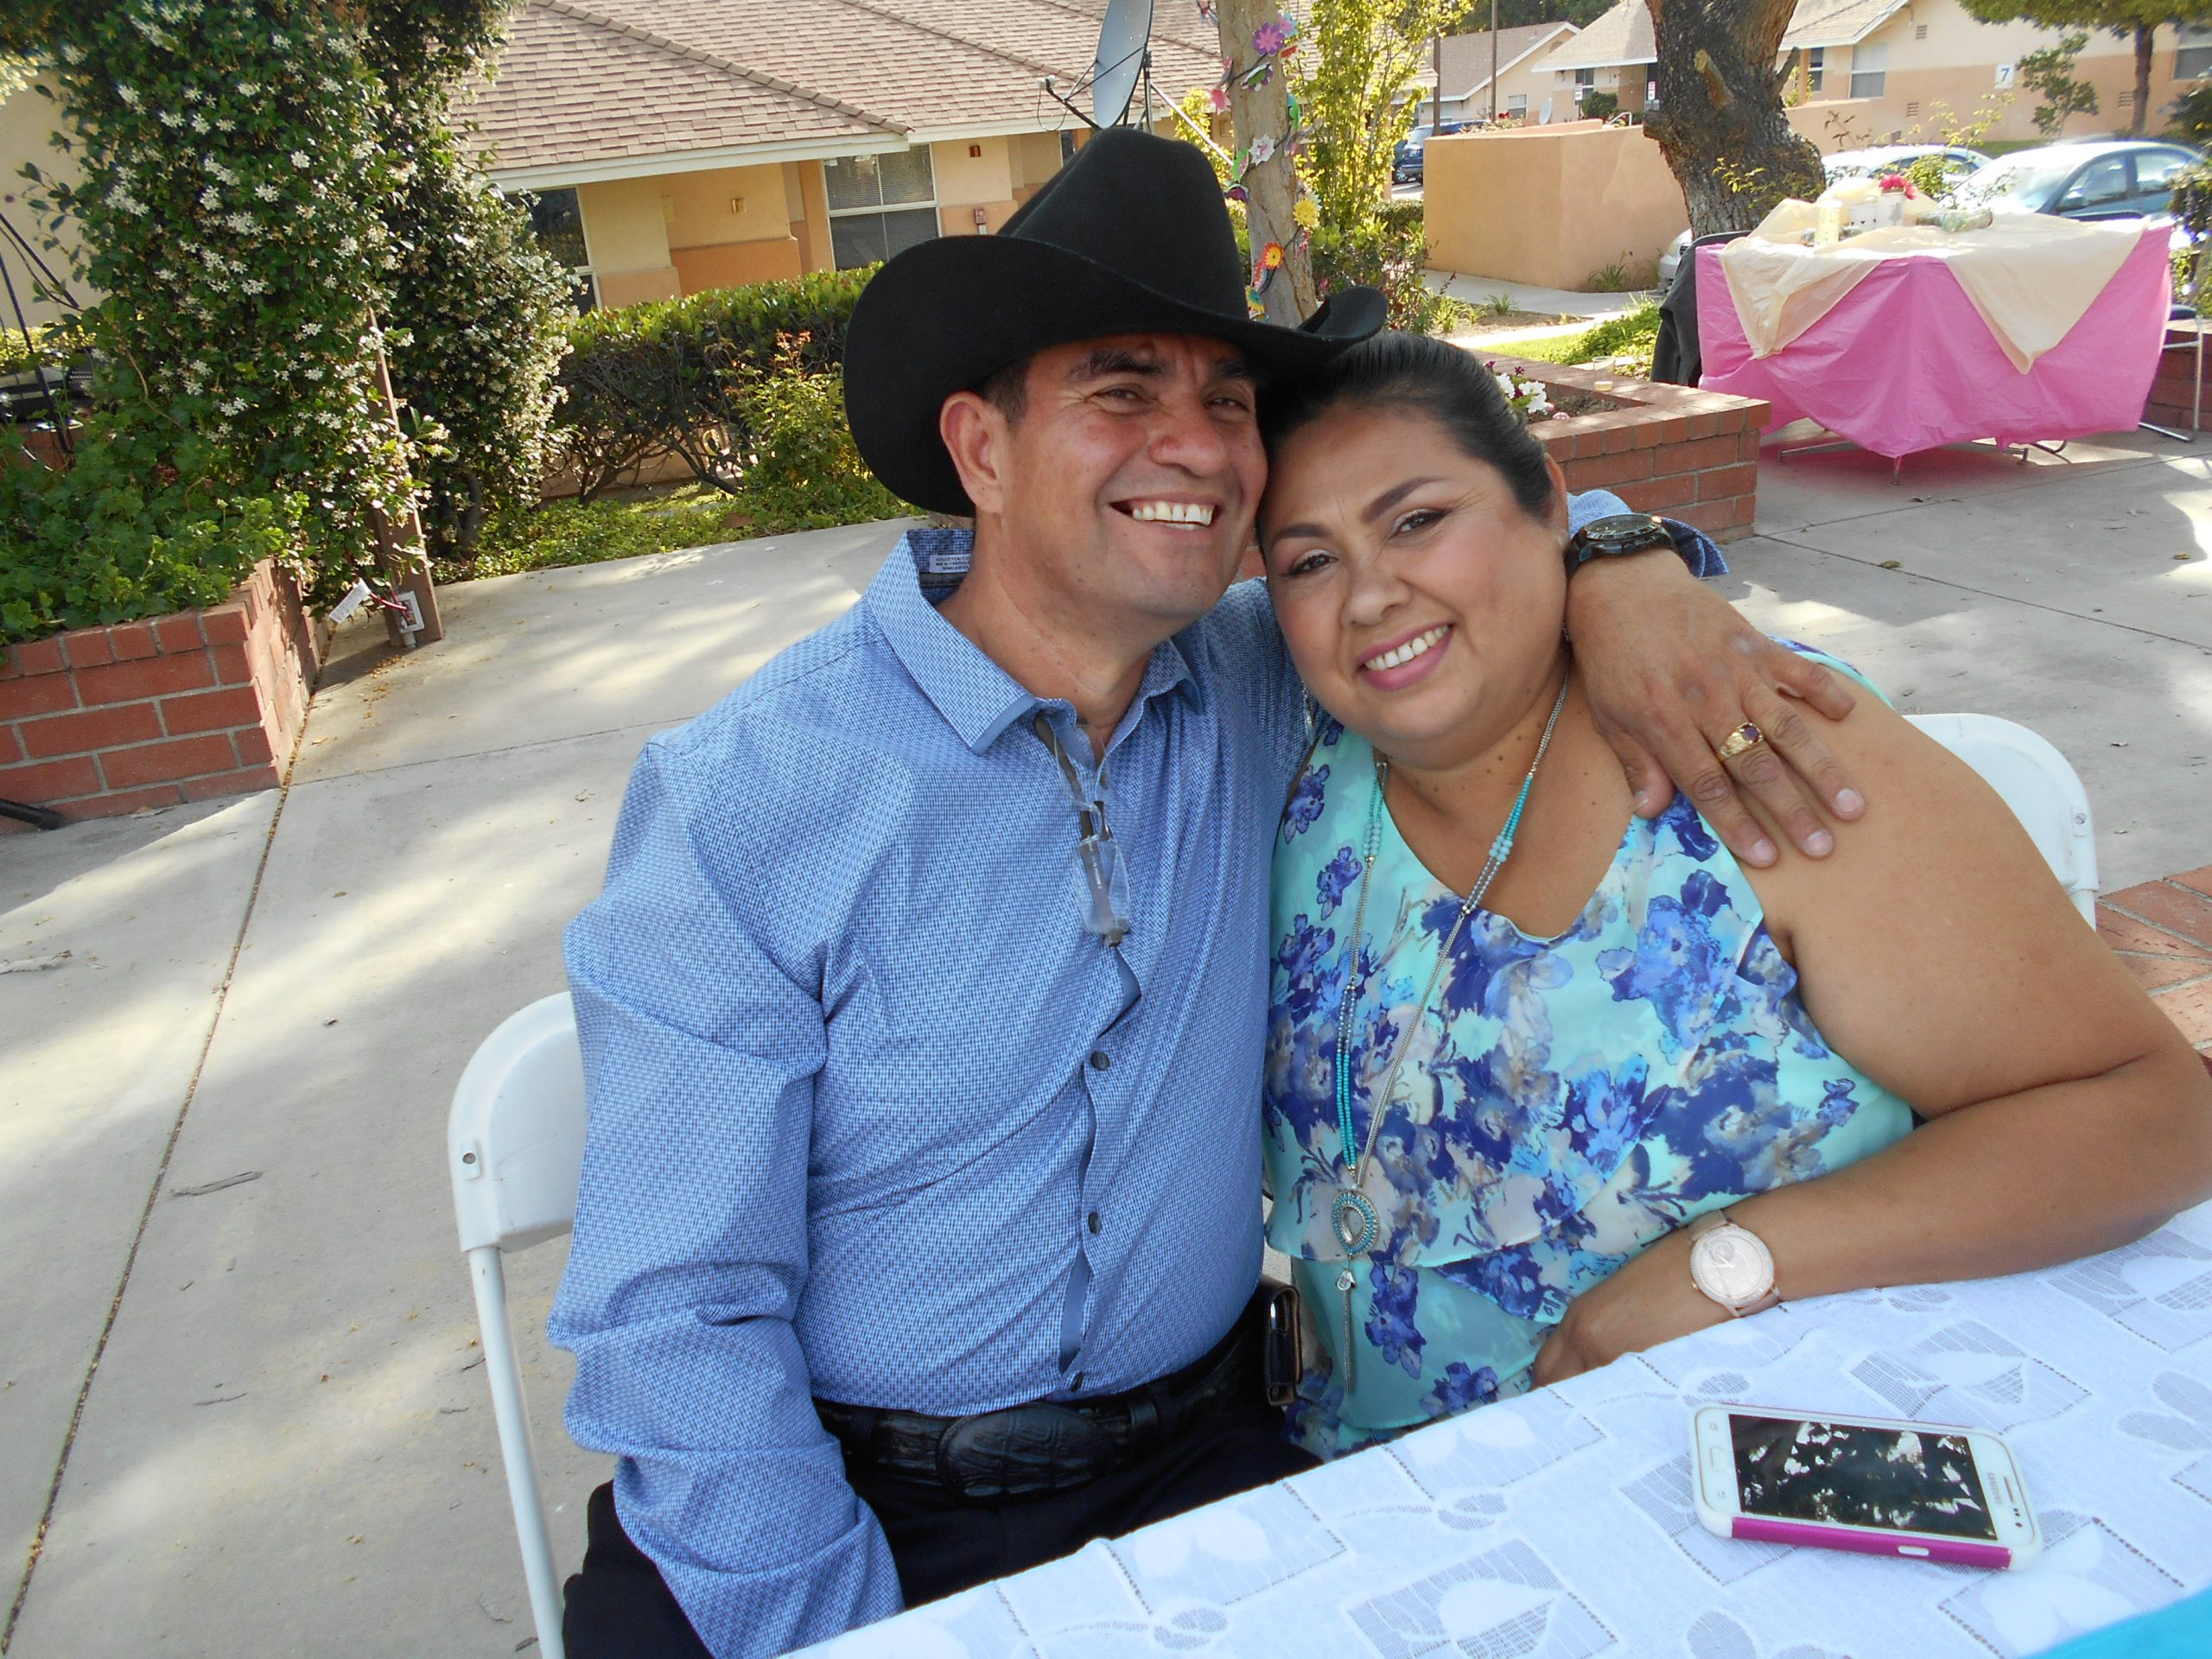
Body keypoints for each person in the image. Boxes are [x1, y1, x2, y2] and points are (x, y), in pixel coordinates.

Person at [550, 132, 1870, 1659]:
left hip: (1210, 1463)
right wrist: (845, 1631)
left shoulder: (1268, 674)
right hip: (829, 1500)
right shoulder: (752, 798)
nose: (1199, 447)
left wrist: (1631, 562)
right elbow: (674, 1316)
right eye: (1124, 391)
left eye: (1227, 403)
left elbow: (1476, 579)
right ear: (980, 449)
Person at [1255, 331, 2212, 1459]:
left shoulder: (1757, 761)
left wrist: (1731, 1266)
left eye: (1418, 521)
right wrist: (1624, 560)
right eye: (1309, 562)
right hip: (1362, 1492)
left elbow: (2156, 1120)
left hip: (1722, 1482)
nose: (1368, 595)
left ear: (1549, 506)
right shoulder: (1297, 758)